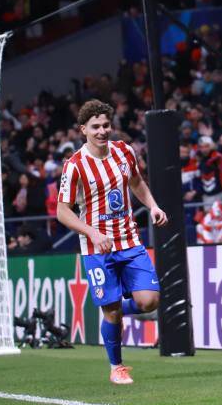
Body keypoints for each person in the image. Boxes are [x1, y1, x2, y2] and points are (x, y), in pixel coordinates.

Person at [56, 100, 168, 385]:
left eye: (106, 125)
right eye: (95, 127)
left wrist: (153, 206)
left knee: (150, 301)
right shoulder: (75, 166)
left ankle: (117, 312)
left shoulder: (124, 151)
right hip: (97, 249)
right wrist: (92, 233)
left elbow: (137, 182)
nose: (102, 131)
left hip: (129, 241)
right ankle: (117, 366)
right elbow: (62, 211)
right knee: (112, 311)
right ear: (83, 129)